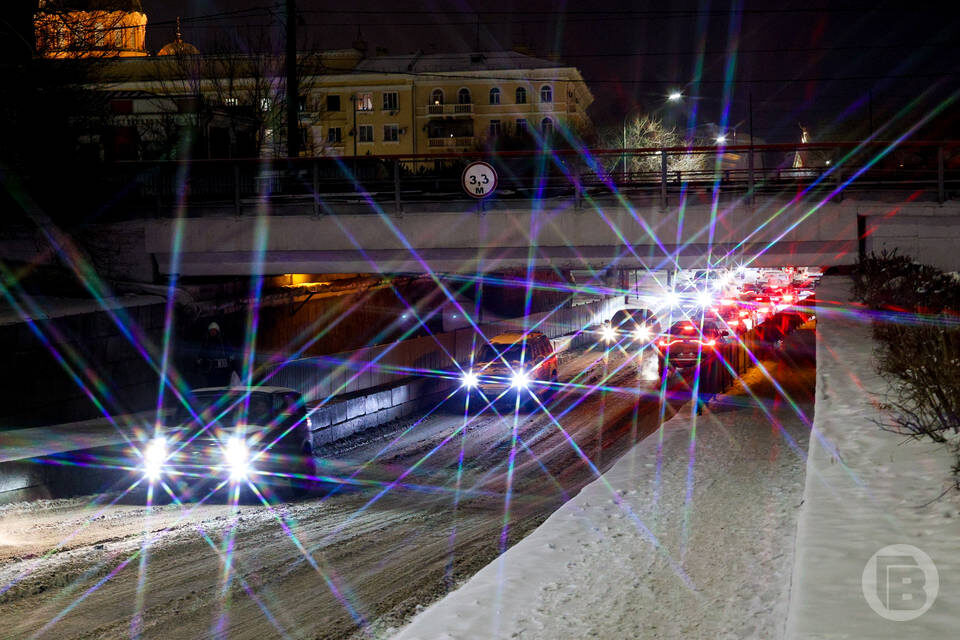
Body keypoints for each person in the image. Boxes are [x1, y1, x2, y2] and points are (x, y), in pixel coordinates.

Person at [196, 322, 237, 387]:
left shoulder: (223, 341)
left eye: (214, 330)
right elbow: (201, 353)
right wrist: (200, 361)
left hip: (223, 370)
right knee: (211, 385)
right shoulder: (206, 342)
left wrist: (232, 361)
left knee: (223, 386)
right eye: (211, 331)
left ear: (217, 331)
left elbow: (230, 352)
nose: (212, 332)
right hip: (210, 370)